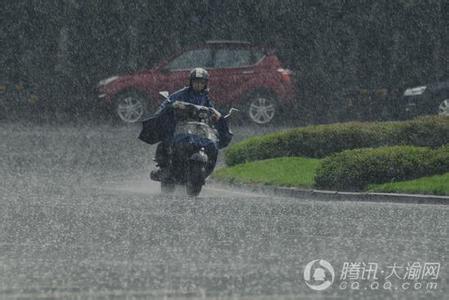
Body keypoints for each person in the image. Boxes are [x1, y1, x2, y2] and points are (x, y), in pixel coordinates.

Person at [150, 67, 223, 181]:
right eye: (196, 82)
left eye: (201, 82)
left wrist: (216, 114)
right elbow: (166, 103)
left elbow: (211, 109)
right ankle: (166, 169)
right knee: (169, 141)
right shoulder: (181, 94)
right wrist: (173, 105)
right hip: (179, 126)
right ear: (191, 82)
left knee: (213, 145)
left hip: (199, 128)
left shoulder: (205, 97)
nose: (198, 85)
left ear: (205, 84)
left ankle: (206, 170)